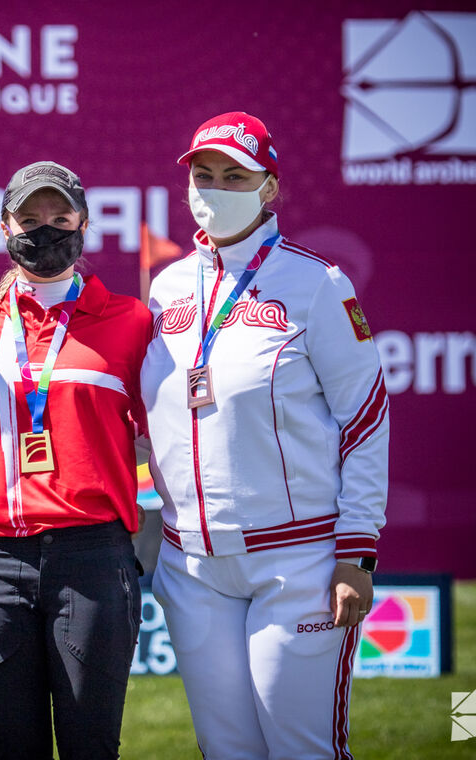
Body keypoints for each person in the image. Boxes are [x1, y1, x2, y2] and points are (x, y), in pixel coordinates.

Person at [141, 112, 389, 759]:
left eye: (234, 175)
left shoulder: (317, 284)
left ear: (269, 187)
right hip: (192, 564)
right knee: (226, 752)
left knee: (300, 749)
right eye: (204, 174)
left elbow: (365, 418)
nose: (215, 188)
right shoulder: (165, 289)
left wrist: (356, 552)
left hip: (298, 560)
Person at [0, 160, 151, 760]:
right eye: (30, 219)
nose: (45, 230)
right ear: (4, 226)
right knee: (14, 749)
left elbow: (158, 437)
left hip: (92, 558)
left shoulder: (131, 321)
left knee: (92, 748)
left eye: (60, 218)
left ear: (84, 224)